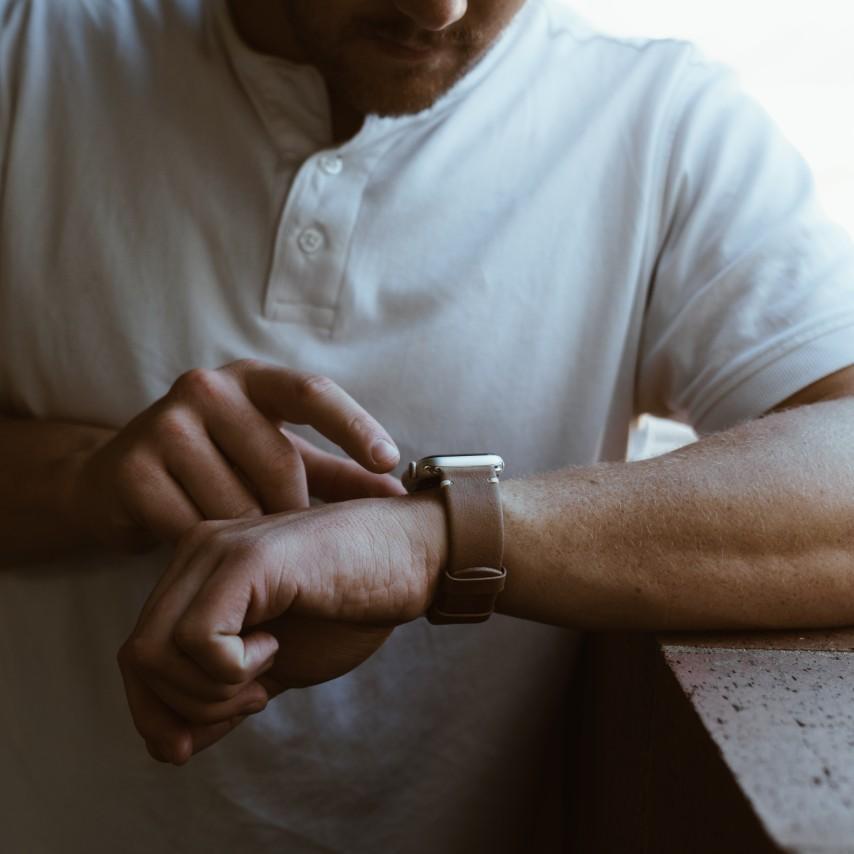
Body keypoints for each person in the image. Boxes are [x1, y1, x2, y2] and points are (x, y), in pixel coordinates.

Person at [2, 0, 854, 851]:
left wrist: (436, 542)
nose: (441, 10)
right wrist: (82, 483)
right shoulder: (27, 48)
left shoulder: (663, 122)